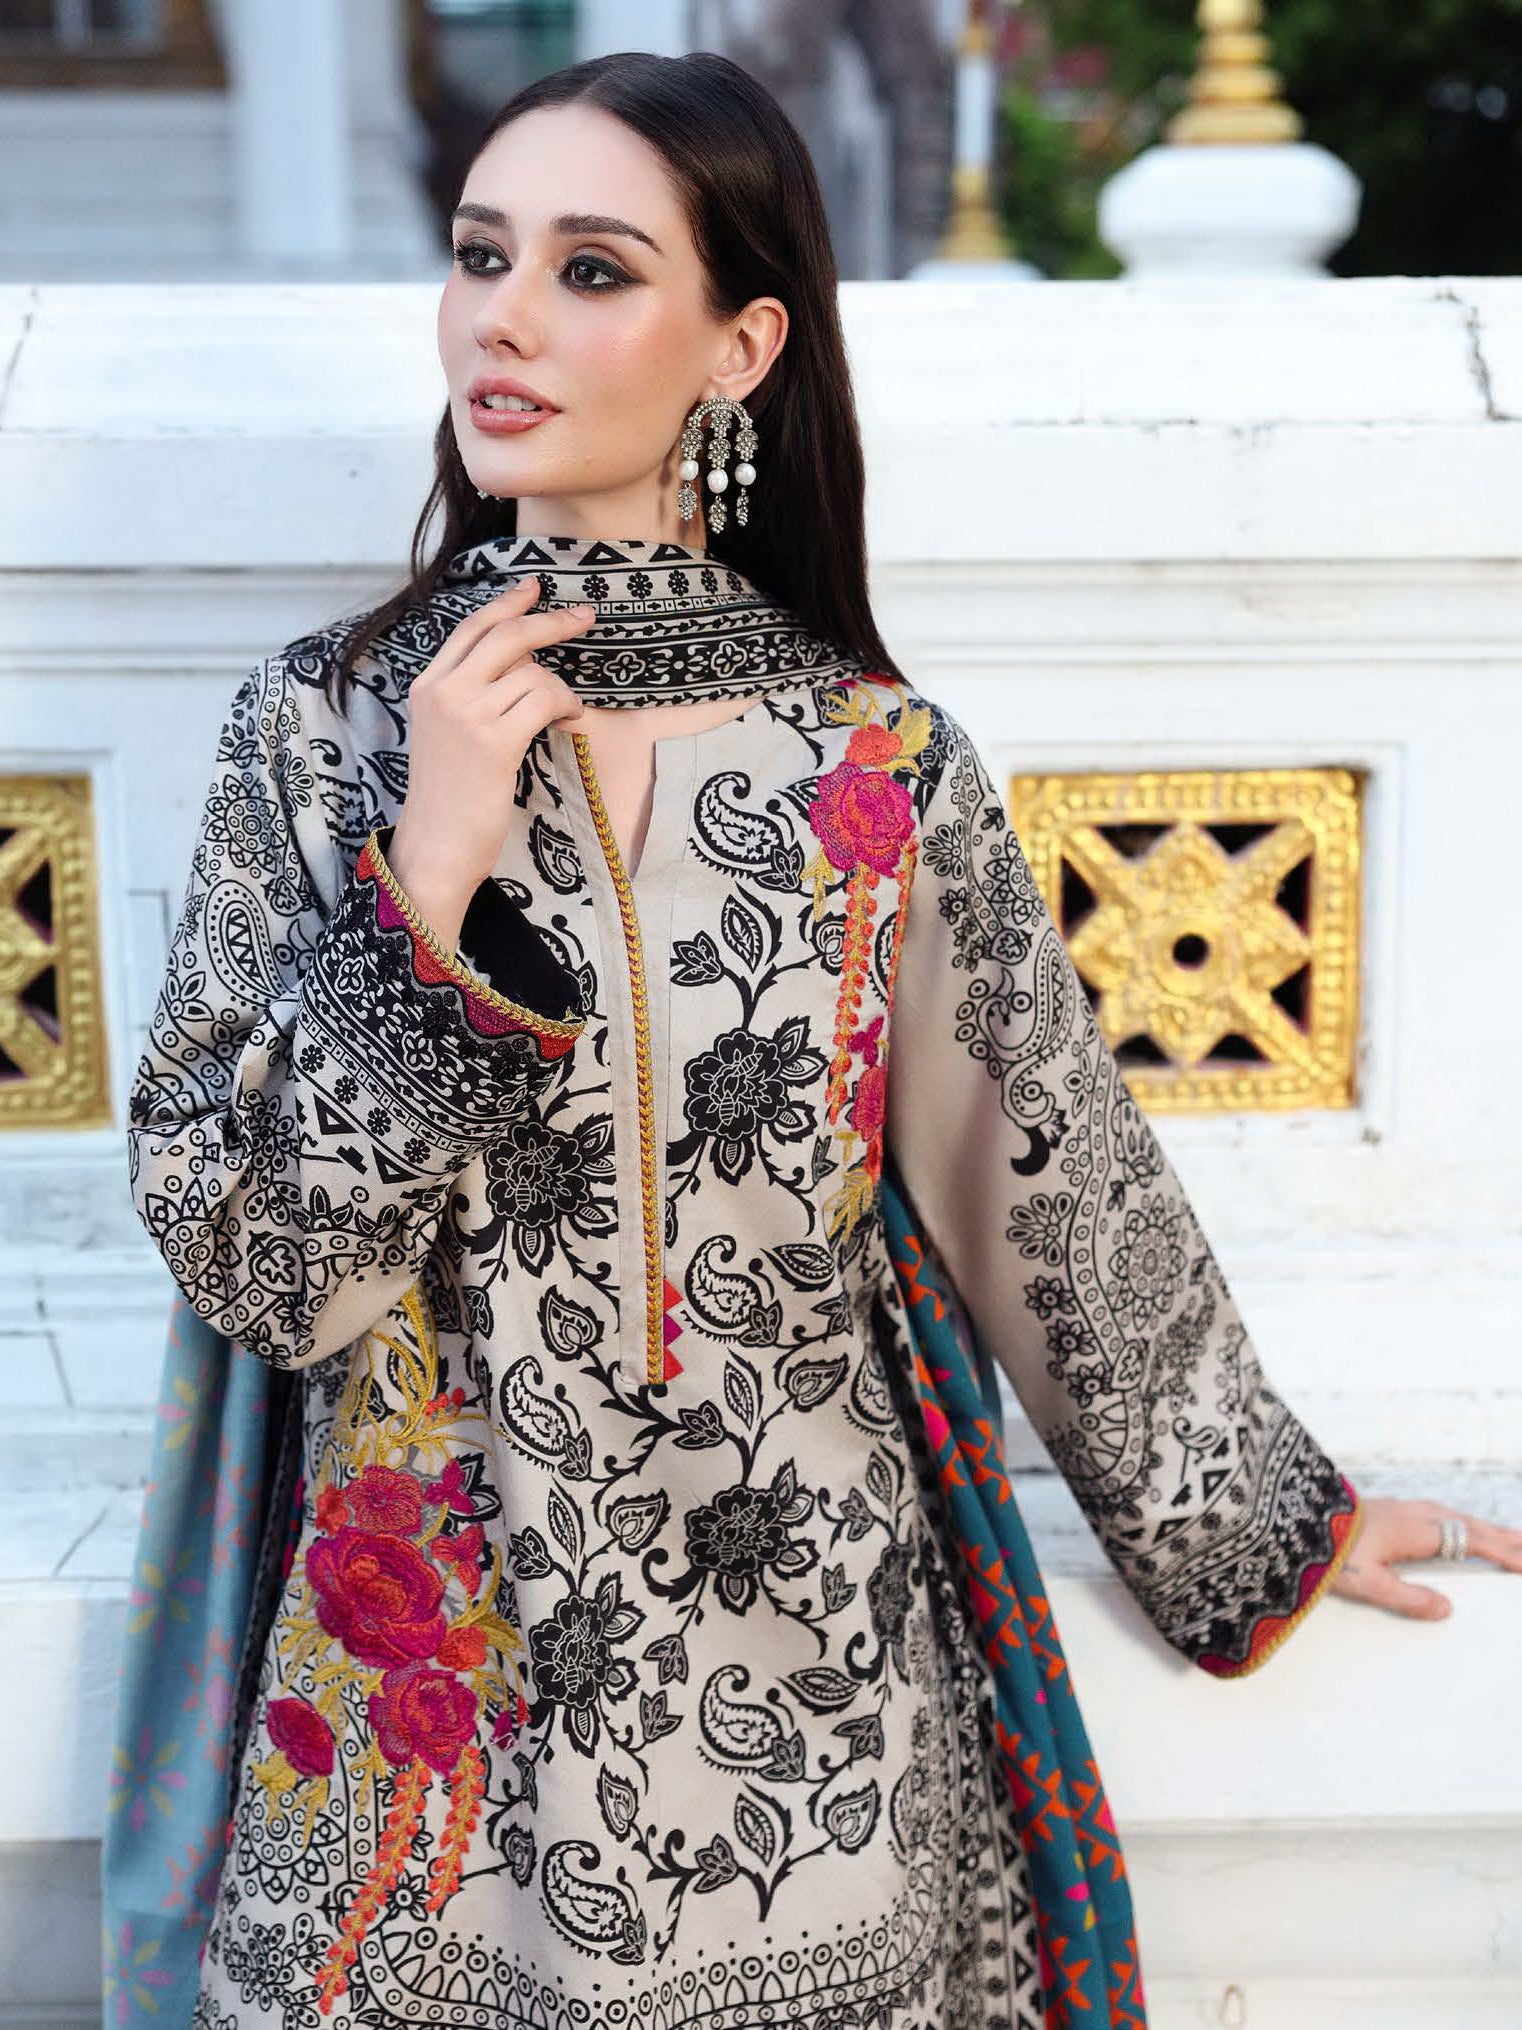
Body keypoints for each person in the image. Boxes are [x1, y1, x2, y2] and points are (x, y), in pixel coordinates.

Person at [121, 48, 1521, 2030]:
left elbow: (1052, 1184)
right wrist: (427, 867)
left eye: (590, 270)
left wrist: (1261, 1524)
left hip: (811, 1708)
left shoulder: (873, 769)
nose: (501, 317)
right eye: (479, 254)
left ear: (741, 342)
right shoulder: (323, 731)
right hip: (415, 1734)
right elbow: (265, 1273)